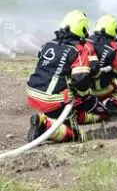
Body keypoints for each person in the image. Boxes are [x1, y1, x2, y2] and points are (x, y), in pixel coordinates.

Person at [25, 10, 108, 143]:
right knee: (74, 134)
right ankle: (44, 125)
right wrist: (86, 95)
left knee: (68, 110)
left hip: (32, 94)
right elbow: (80, 80)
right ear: (82, 29)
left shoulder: (48, 44)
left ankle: (50, 119)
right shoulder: (77, 50)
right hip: (53, 100)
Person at [87, 14, 117, 115]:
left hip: (85, 91)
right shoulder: (113, 46)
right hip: (102, 90)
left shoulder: (85, 41)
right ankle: (114, 105)